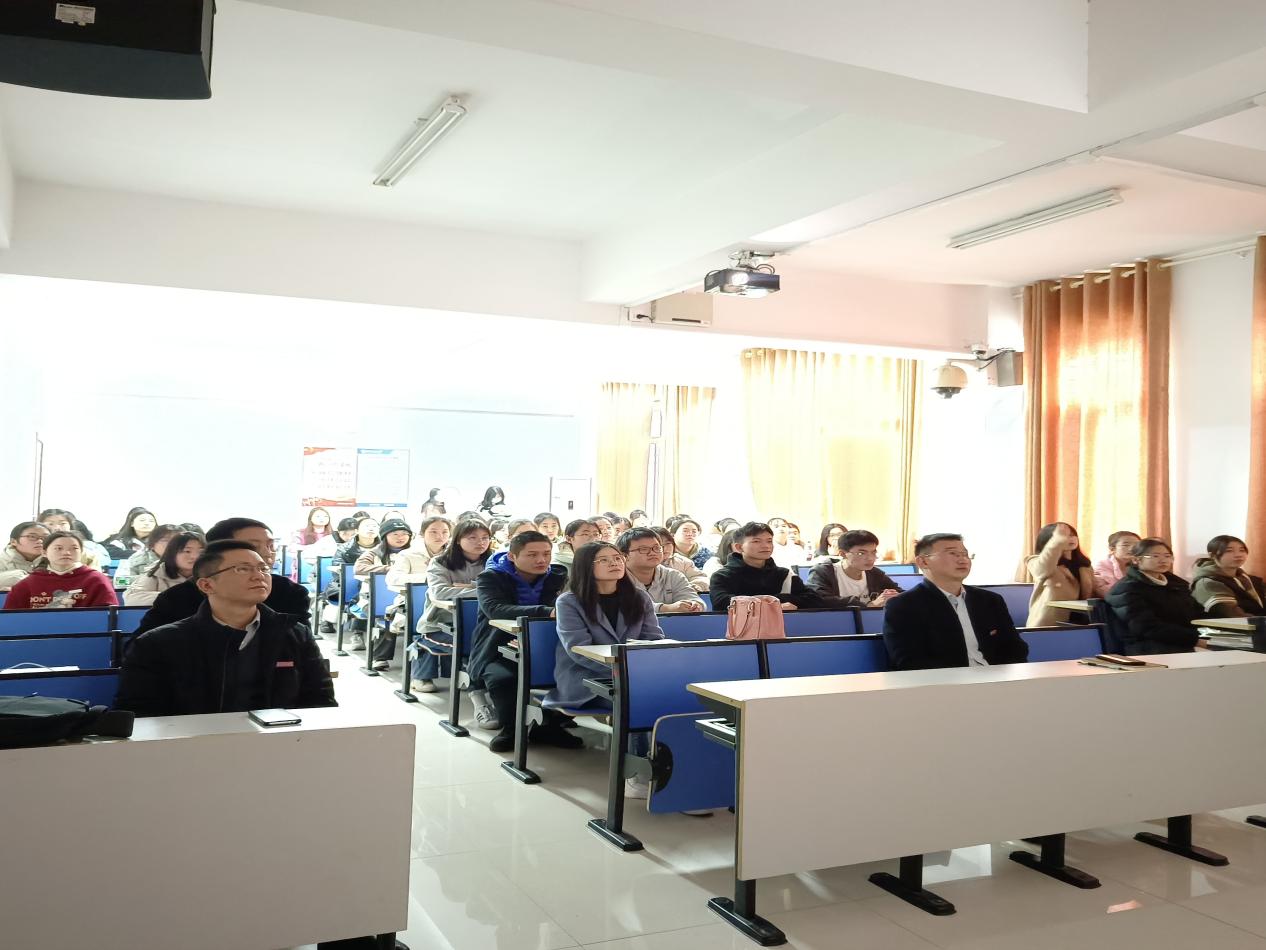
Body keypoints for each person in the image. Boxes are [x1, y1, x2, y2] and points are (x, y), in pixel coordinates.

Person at [115, 540, 336, 717]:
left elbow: (321, 703)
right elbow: (138, 713)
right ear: (206, 585)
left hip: (280, 745)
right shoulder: (158, 643)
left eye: (263, 568)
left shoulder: (294, 634)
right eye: (242, 569)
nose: (259, 575)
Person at [547, 541, 664, 789]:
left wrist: (642, 670)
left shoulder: (639, 597)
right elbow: (578, 651)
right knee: (638, 699)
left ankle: (665, 769)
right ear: (585, 567)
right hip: (584, 676)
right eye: (604, 560)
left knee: (668, 695)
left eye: (618, 558)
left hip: (633, 675)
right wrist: (625, 673)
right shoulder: (569, 601)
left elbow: (653, 639)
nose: (614, 563)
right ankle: (636, 775)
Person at [469, 530, 580, 753]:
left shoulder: (558, 576)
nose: (541, 560)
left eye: (546, 554)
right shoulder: (491, 578)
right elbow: (495, 609)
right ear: (512, 556)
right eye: (532, 555)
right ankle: (512, 729)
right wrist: (546, 611)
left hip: (549, 647)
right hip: (498, 646)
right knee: (503, 678)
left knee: (581, 676)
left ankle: (548, 726)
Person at [135, 518, 310, 634]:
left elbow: (304, 658)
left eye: (271, 546)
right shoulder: (177, 599)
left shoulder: (289, 593)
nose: (267, 553)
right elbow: (140, 652)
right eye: (252, 546)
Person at [882, 533, 1028, 670]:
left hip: (997, 679)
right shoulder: (904, 605)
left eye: (965, 554)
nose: (962, 559)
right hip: (943, 683)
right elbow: (908, 660)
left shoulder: (990, 600)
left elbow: (1016, 648)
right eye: (952, 553)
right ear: (923, 561)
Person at [410, 518, 493, 694]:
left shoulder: (494, 562)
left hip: (482, 624)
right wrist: (483, 590)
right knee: (477, 645)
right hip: (442, 624)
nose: (480, 542)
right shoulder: (440, 562)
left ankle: (478, 680)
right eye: (472, 538)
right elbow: (440, 592)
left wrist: (468, 587)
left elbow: (506, 589)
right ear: (457, 540)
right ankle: (474, 685)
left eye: (485, 538)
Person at [1105, 538, 1203, 654]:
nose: (1163, 560)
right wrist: (1195, 640)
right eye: (1155, 556)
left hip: (1180, 642)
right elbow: (1145, 627)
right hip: (1146, 647)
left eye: (1167, 556)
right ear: (1136, 560)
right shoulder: (1127, 588)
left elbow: (1196, 612)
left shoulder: (1176, 584)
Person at [708, 522, 825, 612]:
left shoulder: (784, 575)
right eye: (756, 541)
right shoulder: (722, 576)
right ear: (739, 547)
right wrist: (774, 603)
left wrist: (777, 599)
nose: (765, 546)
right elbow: (722, 604)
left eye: (769, 541)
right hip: (739, 632)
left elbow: (815, 600)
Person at [353, 518, 415, 670]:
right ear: (385, 536)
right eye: (395, 534)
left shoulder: (415, 553)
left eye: (404, 534)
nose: (400, 537)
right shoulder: (374, 553)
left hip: (404, 599)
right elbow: (359, 568)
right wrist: (390, 569)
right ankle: (380, 658)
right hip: (373, 600)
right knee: (390, 614)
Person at [3, 531, 118, 609]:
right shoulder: (29, 582)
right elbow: (11, 619)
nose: (66, 552)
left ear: (81, 552)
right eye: (58, 548)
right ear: (44, 552)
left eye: (74, 548)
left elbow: (108, 616)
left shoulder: (96, 580)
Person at [617, 527, 705, 613]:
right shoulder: (615, 579)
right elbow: (623, 607)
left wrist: (694, 605)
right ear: (625, 556)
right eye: (643, 549)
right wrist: (665, 608)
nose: (652, 552)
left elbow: (694, 599)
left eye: (657, 548)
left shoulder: (673, 576)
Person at [1024, 522, 1095, 626]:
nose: (1071, 538)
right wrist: (1057, 542)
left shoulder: (1085, 566)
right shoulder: (1035, 560)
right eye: (1064, 535)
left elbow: (1094, 591)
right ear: (1049, 540)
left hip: (1081, 623)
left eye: (1072, 535)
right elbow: (1042, 570)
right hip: (1048, 624)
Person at [806, 529, 901, 607]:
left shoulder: (874, 573)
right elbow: (818, 600)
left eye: (873, 552)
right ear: (843, 554)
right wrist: (868, 605)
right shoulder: (823, 572)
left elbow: (899, 593)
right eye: (861, 553)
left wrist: (892, 596)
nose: (870, 558)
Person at [1191, 535, 1266, 618]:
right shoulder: (1208, 583)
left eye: (1242, 550)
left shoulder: (1251, 580)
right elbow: (1233, 615)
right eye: (1229, 551)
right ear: (1212, 555)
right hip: (1231, 626)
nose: (1238, 555)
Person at [124, 531, 206, 607]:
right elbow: (132, 598)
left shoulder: (210, 574)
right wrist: (176, 596)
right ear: (172, 553)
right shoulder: (158, 572)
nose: (195, 556)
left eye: (201, 552)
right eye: (187, 551)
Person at [114, 523, 182, 588]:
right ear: (152, 544)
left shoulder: (186, 559)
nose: (172, 544)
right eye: (166, 540)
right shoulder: (136, 558)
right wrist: (151, 579)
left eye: (178, 540)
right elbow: (120, 581)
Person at [38, 508, 109, 570]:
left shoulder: (86, 554)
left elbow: (95, 577)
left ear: (70, 526)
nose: (57, 528)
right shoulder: (36, 549)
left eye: (62, 523)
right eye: (51, 524)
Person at [654, 527, 710, 591]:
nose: (664, 548)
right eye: (658, 545)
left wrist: (695, 585)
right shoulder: (646, 563)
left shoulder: (683, 562)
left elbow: (699, 577)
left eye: (668, 543)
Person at [0, 521, 50, 590]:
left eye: (46, 537)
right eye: (32, 537)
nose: (40, 541)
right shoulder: (2, 561)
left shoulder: (55, 560)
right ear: (13, 541)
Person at [1093, 530, 1140, 597]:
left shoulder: (1142, 565)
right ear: (1112, 549)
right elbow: (1103, 592)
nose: (1132, 549)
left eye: (1136, 545)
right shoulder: (1102, 566)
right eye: (1126, 545)